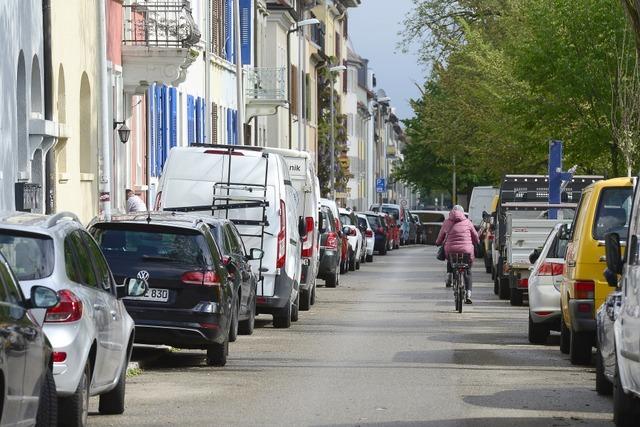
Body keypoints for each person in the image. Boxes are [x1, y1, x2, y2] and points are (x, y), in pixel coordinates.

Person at [435, 205, 479, 304]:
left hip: (450, 250)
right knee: (468, 270)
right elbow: (475, 236)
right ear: (463, 213)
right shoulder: (468, 222)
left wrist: (437, 242)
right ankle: (468, 293)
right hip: (466, 251)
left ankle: (450, 275)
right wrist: (477, 241)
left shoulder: (446, 222)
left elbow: (441, 236)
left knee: (451, 259)